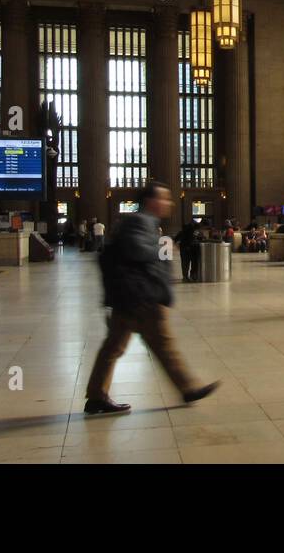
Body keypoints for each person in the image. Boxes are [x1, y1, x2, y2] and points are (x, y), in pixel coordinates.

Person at [84, 178, 219, 415]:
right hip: (142, 297)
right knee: (163, 344)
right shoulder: (139, 221)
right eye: (164, 198)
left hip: (129, 297)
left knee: (113, 346)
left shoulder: (144, 222)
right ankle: (188, 387)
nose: (169, 203)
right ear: (150, 201)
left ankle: (96, 396)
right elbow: (135, 249)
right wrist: (163, 249)